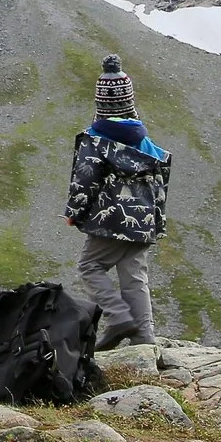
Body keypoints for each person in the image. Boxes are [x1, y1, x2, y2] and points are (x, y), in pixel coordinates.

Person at [64, 53, 170, 350]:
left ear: (101, 104)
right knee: (134, 272)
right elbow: (161, 180)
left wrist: (73, 212)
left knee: (90, 265)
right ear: (129, 102)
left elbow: (85, 179)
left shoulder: (94, 139)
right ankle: (144, 338)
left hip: (110, 221)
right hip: (145, 218)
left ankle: (118, 316)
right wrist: (155, 220)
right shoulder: (146, 141)